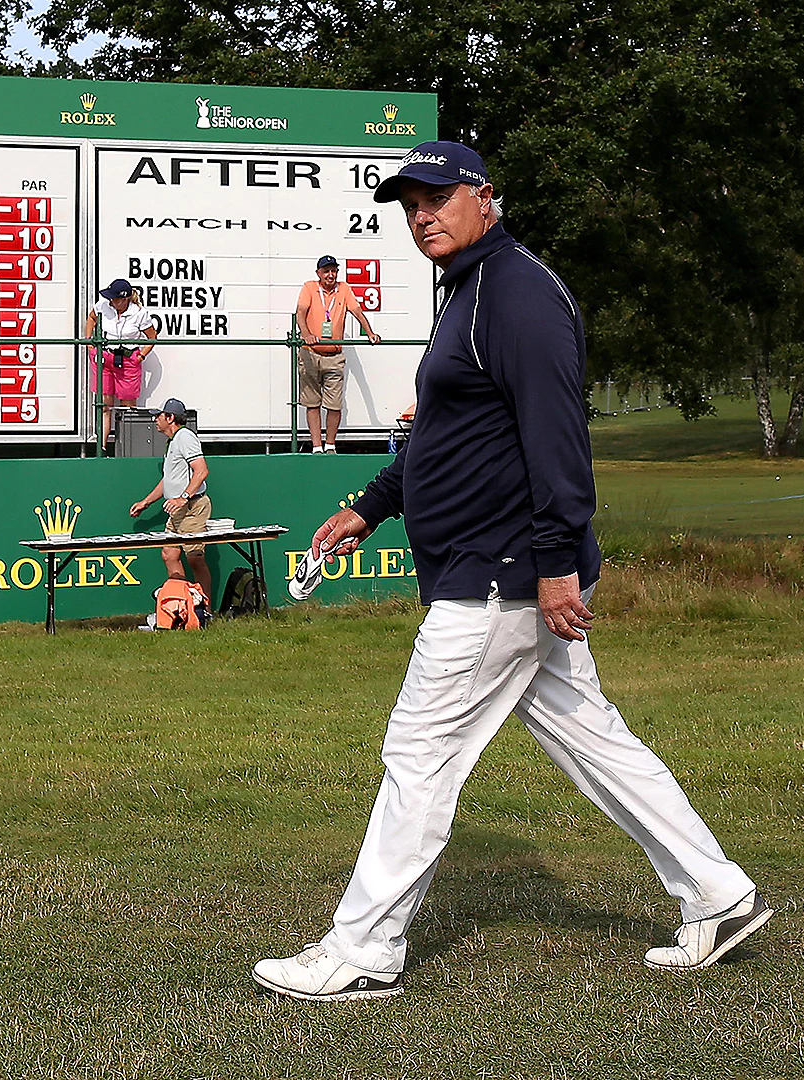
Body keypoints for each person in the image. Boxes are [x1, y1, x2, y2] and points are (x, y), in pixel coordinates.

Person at [252, 141, 767, 1002]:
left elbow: (557, 438)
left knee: (420, 751)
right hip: (506, 566)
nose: (422, 214)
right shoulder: (470, 289)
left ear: (485, 197)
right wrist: (372, 504)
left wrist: (557, 563)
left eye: (438, 197)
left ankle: (364, 949)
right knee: (589, 733)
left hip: (506, 572)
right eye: (409, 203)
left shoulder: (517, 293)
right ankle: (716, 893)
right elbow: (448, 431)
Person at [128, 398, 212, 604]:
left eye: (159, 416)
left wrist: (183, 498)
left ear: (170, 417)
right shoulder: (173, 441)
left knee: (195, 559)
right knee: (169, 554)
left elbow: (202, 471)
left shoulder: (185, 437)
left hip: (192, 508)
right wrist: (146, 502)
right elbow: (169, 480)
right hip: (177, 512)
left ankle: (204, 611)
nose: (155, 420)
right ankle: (181, 604)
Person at [294, 255, 381, 453]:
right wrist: (306, 334)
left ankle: (330, 444)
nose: (331, 275)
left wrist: (370, 334)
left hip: (334, 355)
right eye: (326, 271)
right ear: (318, 274)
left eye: (334, 271)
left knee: (334, 404)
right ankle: (317, 446)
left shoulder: (344, 289)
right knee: (312, 401)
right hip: (310, 352)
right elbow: (300, 312)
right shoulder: (309, 287)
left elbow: (358, 312)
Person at [85, 278, 157, 451]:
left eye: (115, 298)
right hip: (105, 357)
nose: (111, 301)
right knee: (104, 404)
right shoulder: (103, 305)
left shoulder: (139, 313)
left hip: (127, 360)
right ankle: (101, 448)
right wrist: (89, 342)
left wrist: (141, 356)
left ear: (124, 299)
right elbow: (91, 317)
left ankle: (127, 449)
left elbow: (152, 336)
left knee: (128, 407)